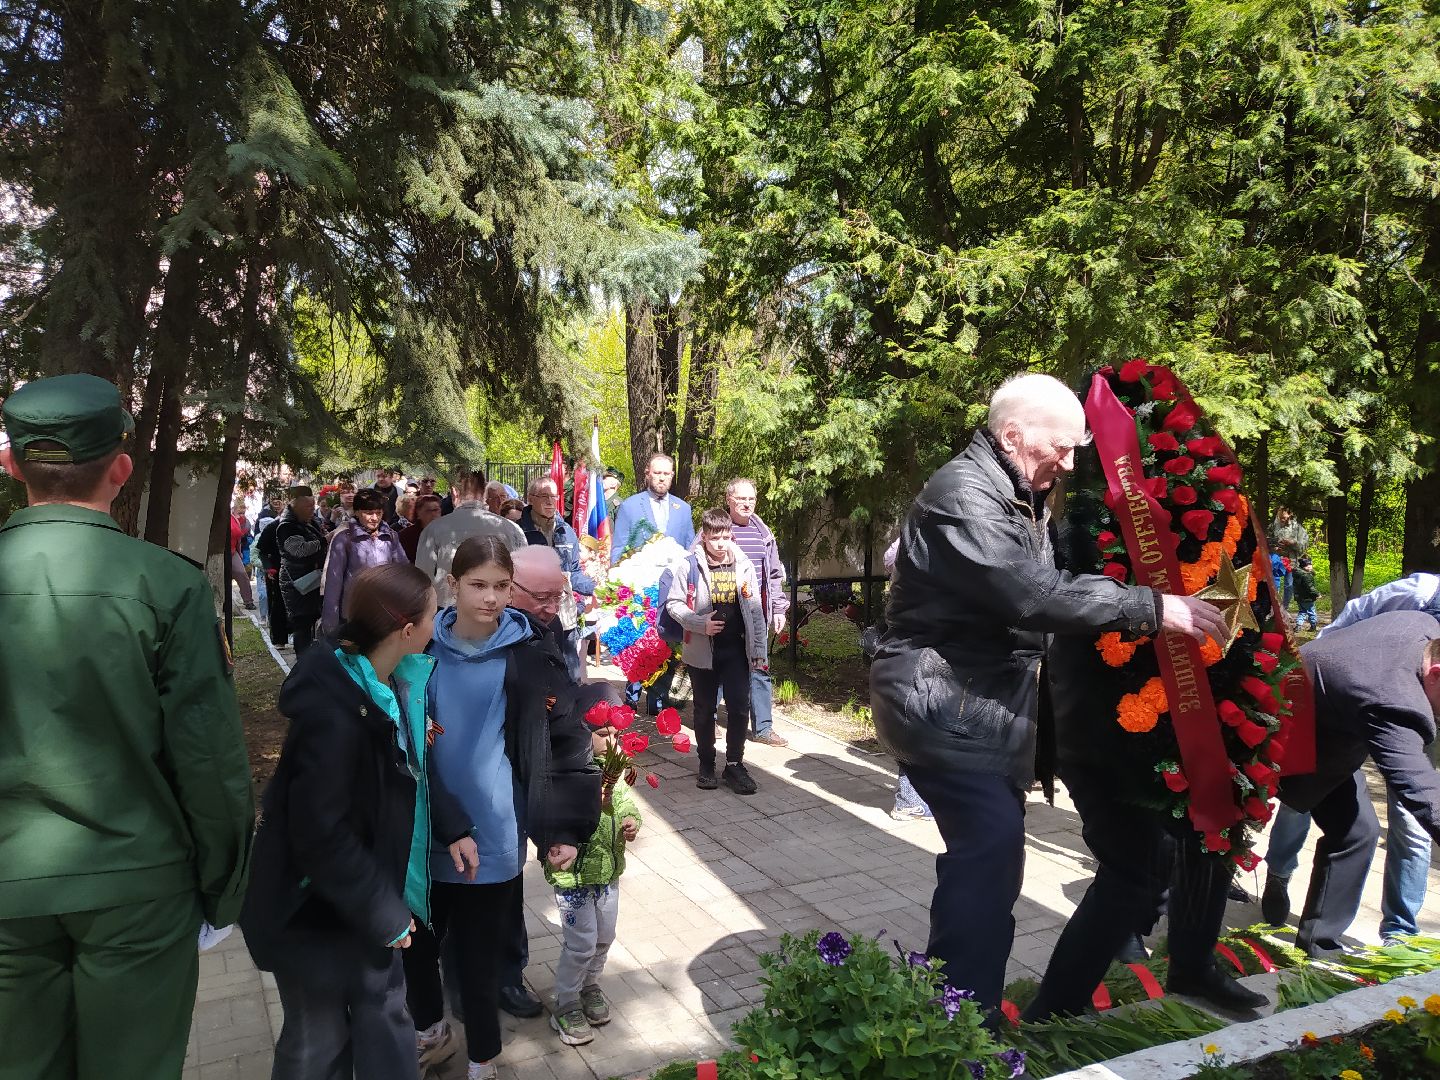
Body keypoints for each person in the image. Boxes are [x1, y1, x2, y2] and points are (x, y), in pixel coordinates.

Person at [870, 372, 1228, 1012]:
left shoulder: (1012, 489)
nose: (1069, 463)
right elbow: (1031, 594)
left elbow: (1043, 582)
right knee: (989, 854)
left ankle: (963, 1016)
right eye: (1060, 448)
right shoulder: (965, 493)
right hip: (941, 700)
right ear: (1013, 435)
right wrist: (1151, 607)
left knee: (992, 856)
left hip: (969, 700)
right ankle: (962, 1028)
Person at [0, 373, 254, 1080]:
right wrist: (223, 887)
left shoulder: (164, 586)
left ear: (10, 463)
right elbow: (209, 761)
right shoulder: (165, 585)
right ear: (120, 468)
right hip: (138, 889)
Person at [241, 565, 451, 1080]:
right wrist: (384, 912)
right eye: (433, 613)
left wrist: (455, 825)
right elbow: (320, 832)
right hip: (315, 911)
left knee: (384, 1024)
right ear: (406, 632)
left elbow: (406, 780)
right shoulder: (336, 714)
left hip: (360, 897)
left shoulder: (386, 682)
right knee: (318, 1043)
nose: (438, 621)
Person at [404, 537, 601, 1080]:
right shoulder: (419, 649)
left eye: (499, 586)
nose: (489, 598)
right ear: (453, 585)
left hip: (493, 831)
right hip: (427, 829)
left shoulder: (530, 656)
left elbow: (566, 742)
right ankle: (431, 1033)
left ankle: (483, 1058)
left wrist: (563, 827)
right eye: (477, 585)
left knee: (478, 956)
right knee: (418, 946)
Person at [1262, 577, 1440, 943]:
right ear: (1436, 673)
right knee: (1215, 828)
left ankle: (1319, 943)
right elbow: (1421, 791)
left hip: (1328, 730)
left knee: (1356, 832)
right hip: (1271, 731)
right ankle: (1170, 933)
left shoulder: (1424, 627)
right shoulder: (1396, 700)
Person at [547, 696, 642, 1047]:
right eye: (603, 732)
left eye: (616, 732)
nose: (613, 740)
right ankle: (567, 1001)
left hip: (607, 874)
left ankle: (590, 986)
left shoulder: (614, 769)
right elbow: (554, 814)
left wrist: (632, 819)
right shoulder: (567, 770)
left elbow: (624, 800)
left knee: (604, 937)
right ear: (580, 731)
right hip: (574, 879)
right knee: (581, 944)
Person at [666, 508, 770, 795]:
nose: (721, 543)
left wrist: (759, 649)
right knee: (704, 710)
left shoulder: (743, 563)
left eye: (725, 537)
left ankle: (734, 764)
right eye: (714, 538)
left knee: (738, 706)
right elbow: (673, 604)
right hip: (702, 650)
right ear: (705, 536)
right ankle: (707, 763)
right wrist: (700, 624)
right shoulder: (688, 565)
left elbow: (755, 609)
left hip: (735, 648)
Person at [725, 477, 791, 748]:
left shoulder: (763, 533)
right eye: (741, 499)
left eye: (751, 499)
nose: (747, 504)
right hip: (725, 611)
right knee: (721, 666)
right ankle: (712, 719)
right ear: (729, 500)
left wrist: (778, 608)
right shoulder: (718, 528)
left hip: (757, 612)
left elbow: (774, 574)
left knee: (760, 668)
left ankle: (763, 728)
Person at [415, 465, 527, 608]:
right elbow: (522, 578)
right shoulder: (511, 529)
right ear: (484, 493)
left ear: (454, 492)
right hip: (497, 613)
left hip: (448, 615)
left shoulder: (434, 530)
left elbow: (423, 581)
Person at [520, 475, 596, 684]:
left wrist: (596, 588)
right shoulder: (519, 532)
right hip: (532, 616)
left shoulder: (567, 532)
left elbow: (575, 573)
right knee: (536, 677)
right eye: (543, 496)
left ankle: (570, 713)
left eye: (553, 496)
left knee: (570, 674)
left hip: (565, 615)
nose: (549, 501)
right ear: (530, 499)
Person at [322, 488, 410, 636]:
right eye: (369, 513)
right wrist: (330, 623)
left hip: (384, 612)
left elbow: (403, 571)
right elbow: (333, 581)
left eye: (379, 512)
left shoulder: (391, 537)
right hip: (354, 613)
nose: (374, 518)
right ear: (356, 512)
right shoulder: (344, 539)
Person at [610, 452, 694, 558]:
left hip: (677, 573)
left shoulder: (684, 509)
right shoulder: (629, 506)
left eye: (666, 474)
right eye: (657, 473)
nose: (662, 478)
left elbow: (690, 549)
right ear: (647, 474)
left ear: (672, 475)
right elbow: (618, 550)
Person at [277, 485, 329, 654]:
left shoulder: (308, 522)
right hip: (297, 582)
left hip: (311, 580)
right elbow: (299, 550)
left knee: (311, 620)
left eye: (313, 506)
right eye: (308, 506)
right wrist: (326, 539)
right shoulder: (287, 526)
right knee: (301, 623)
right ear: (295, 505)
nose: (312, 510)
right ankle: (302, 663)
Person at [1270, 506, 1310, 610]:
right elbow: (1267, 540)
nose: (1281, 519)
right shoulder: (1274, 526)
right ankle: (1274, 607)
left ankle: (1284, 608)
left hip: (1292, 560)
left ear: (1290, 514)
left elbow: (1304, 545)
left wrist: (1293, 543)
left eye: (1283, 517)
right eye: (1280, 517)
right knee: (1274, 583)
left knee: (1289, 585)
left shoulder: (1298, 528)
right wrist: (1274, 546)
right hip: (1277, 559)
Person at [399, 494, 443, 564]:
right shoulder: (405, 536)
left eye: (436, 510)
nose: (433, 514)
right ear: (418, 513)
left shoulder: (448, 533)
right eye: (428, 511)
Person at [229, 498, 256, 609]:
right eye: (239, 513)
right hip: (223, 551)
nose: (241, 515)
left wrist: (239, 553)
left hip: (233, 551)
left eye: (243, 513)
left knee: (242, 574)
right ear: (233, 510)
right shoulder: (229, 519)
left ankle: (248, 601)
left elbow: (239, 539)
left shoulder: (243, 521)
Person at [1293, 554, 1319, 632]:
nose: (1310, 567)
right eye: (1308, 566)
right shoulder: (1306, 576)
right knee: (1311, 611)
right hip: (1308, 598)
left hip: (1299, 597)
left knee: (1302, 611)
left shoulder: (1297, 574)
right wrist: (1317, 593)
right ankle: (1313, 625)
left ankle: (1298, 625)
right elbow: (1310, 588)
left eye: (1310, 565)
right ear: (1303, 567)